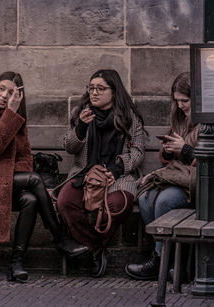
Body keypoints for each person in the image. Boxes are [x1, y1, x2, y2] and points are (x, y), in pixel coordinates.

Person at [0, 71, 88, 282]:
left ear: (17, 97)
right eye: (2, 89)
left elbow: (25, 157)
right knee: (34, 180)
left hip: (5, 183)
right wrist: (11, 112)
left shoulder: (16, 121)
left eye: (11, 93)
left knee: (30, 199)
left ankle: (16, 263)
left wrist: (11, 116)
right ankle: (60, 238)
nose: (4, 95)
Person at [125, 72, 214, 280]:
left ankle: (164, 262)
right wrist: (170, 151)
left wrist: (186, 150)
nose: (180, 106)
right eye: (177, 101)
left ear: (199, 98)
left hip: (213, 188)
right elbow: (175, 163)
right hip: (186, 180)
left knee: (164, 201)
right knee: (145, 198)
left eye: (185, 101)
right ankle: (168, 261)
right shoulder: (181, 117)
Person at [53, 69, 146, 278]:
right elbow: (69, 146)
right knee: (65, 202)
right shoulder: (82, 113)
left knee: (118, 205)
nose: (94, 93)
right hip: (85, 174)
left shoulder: (129, 117)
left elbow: (138, 152)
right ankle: (94, 248)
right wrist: (80, 129)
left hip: (117, 176)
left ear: (114, 92)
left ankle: (95, 244)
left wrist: (118, 167)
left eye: (100, 89)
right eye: (91, 88)